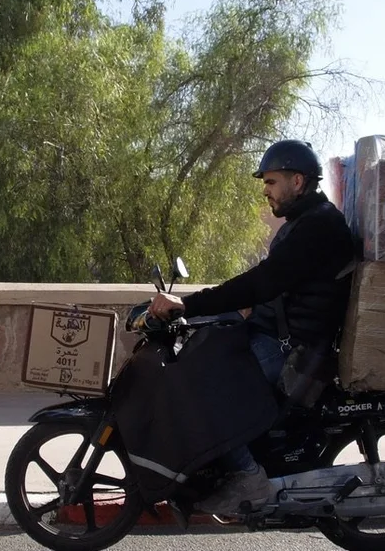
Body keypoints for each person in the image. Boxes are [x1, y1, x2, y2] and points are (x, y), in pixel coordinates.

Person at [148, 139, 356, 515]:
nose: (266, 191)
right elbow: (269, 288)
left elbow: (262, 282)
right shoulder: (304, 223)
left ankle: (247, 475)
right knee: (201, 353)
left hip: (292, 349)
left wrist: (189, 304)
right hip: (277, 336)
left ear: (297, 181)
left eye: (272, 182)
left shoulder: (318, 227)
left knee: (202, 388)